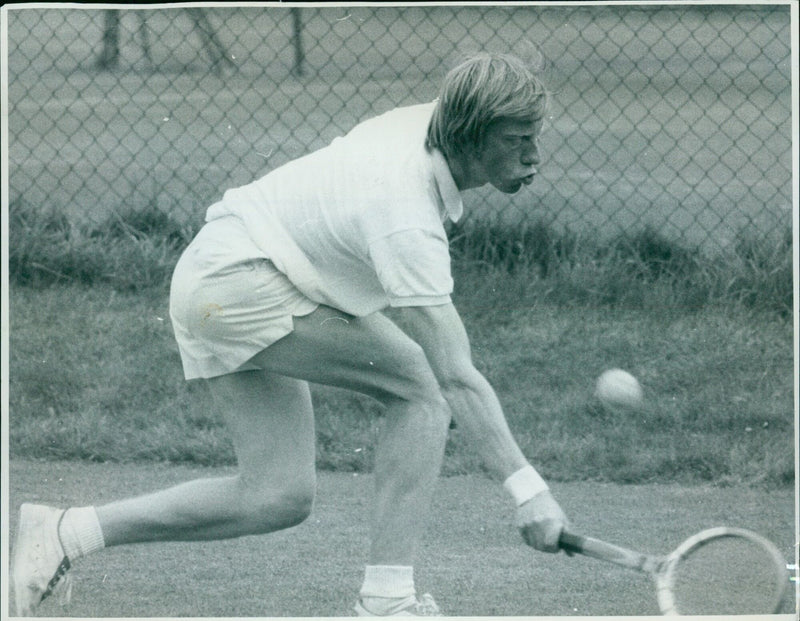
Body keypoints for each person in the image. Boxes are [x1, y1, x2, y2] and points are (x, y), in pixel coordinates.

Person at [12, 50, 570, 617]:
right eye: (516, 139)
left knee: (276, 496)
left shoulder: (441, 120)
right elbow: (457, 377)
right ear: (469, 134)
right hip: (238, 281)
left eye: (534, 135)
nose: (534, 155)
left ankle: (64, 533)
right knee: (421, 387)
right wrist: (528, 491)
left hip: (219, 274)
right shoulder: (404, 209)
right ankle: (387, 599)